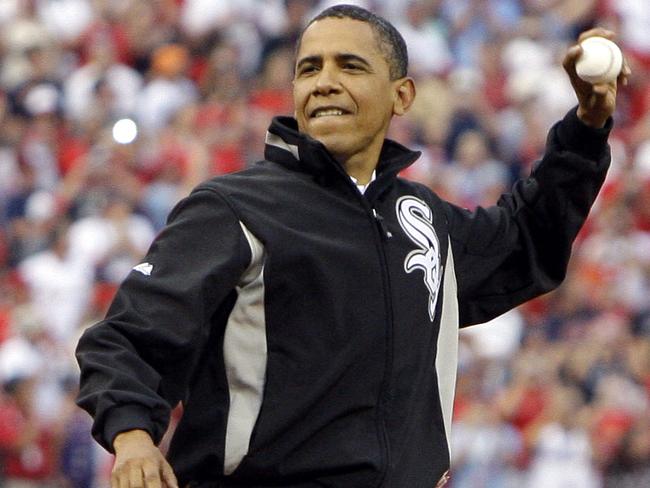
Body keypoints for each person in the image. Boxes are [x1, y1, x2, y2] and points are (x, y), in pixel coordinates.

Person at [75, 4, 629, 488]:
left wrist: (586, 127)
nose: (323, 82)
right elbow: (130, 337)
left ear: (401, 95)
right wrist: (133, 438)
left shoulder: (423, 219)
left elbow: (525, 239)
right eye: (309, 68)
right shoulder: (233, 207)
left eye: (350, 66)